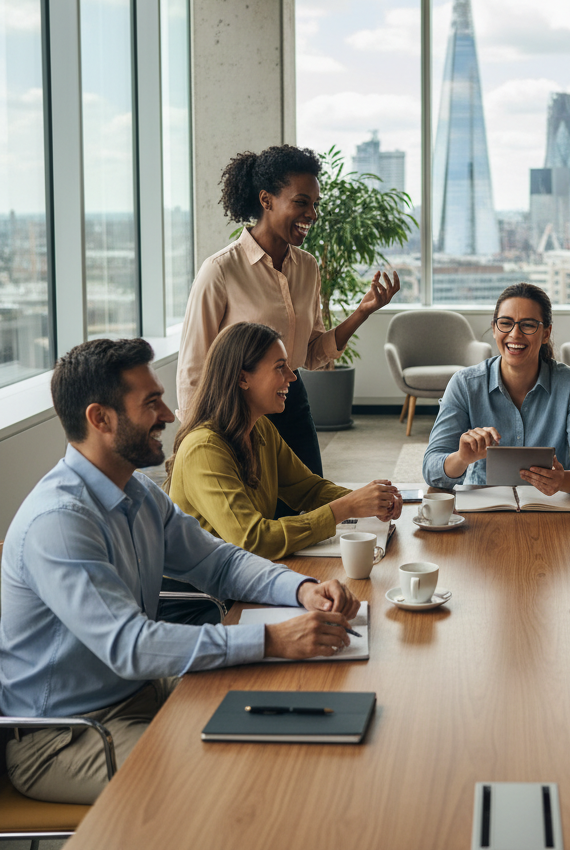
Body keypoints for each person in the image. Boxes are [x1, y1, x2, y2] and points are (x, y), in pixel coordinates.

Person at [0, 338, 362, 805]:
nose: (170, 415)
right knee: (240, 772)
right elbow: (131, 646)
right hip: (66, 736)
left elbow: (221, 562)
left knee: (288, 707)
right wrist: (274, 639)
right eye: (151, 402)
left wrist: (304, 589)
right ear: (100, 419)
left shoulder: (138, 494)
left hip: (141, 691)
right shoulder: (61, 521)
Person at [176, 144, 399, 476]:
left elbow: (310, 353)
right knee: (255, 519)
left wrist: (362, 312)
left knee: (311, 506)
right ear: (267, 201)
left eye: (315, 205)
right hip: (237, 412)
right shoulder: (221, 270)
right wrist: (194, 439)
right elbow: (194, 367)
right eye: (301, 202)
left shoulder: (307, 268)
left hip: (291, 400)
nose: (312, 214)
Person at [167, 322, 401, 560]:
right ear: (242, 378)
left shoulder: (261, 428)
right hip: (207, 593)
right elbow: (253, 540)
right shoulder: (204, 448)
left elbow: (309, 490)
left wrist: (370, 502)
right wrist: (346, 507)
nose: (292, 376)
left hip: (243, 573)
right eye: (280, 367)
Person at [423, 283, 570, 496]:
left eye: (528, 325)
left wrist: (563, 480)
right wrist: (462, 458)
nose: (515, 334)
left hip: (551, 507)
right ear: (494, 328)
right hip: (483, 506)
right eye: (505, 323)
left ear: (546, 333)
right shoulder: (464, 384)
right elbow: (431, 468)